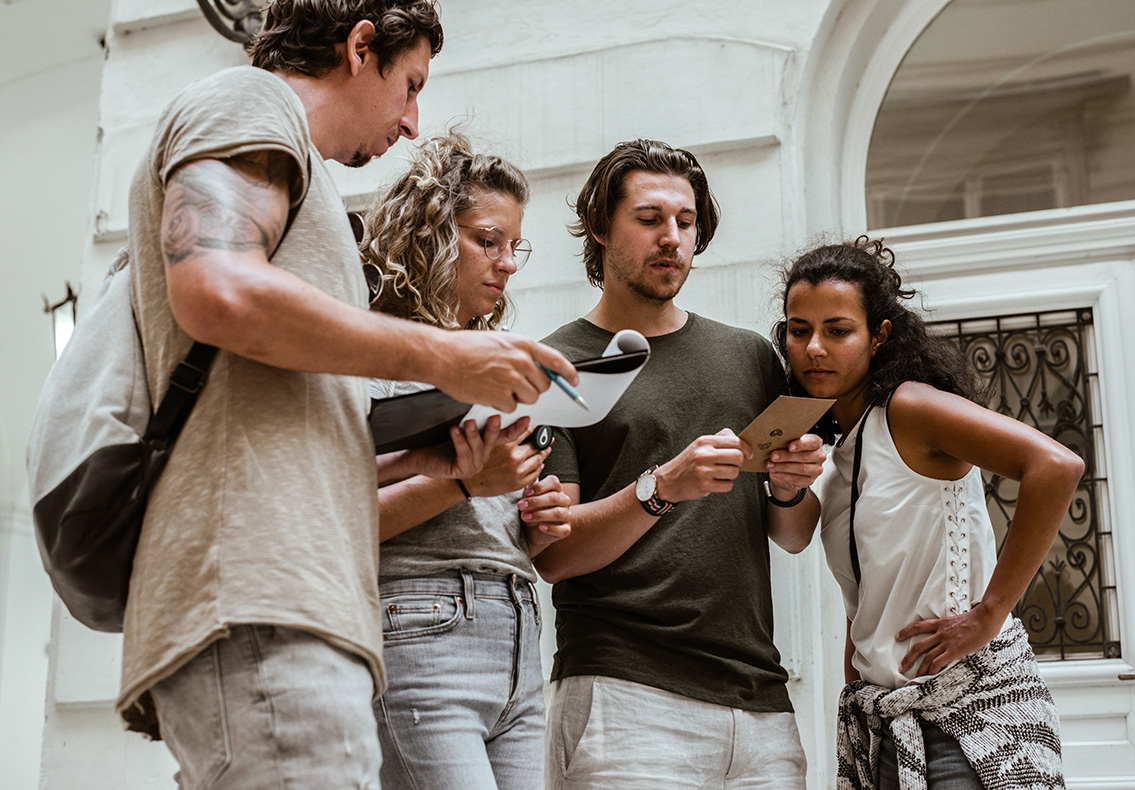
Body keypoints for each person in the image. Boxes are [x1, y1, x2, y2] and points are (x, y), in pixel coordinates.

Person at [118, 3, 576, 787]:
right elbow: (216, 291)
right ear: (361, 46)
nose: (411, 121)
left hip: (296, 601)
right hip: (263, 596)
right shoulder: (250, 102)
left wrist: (430, 455)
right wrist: (445, 356)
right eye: (408, 85)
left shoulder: (299, 173)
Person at [535, 139, 822, 789]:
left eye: (685, 222)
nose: (671, 238)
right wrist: (662, 486)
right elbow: (553, 554)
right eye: (649, 219)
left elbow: (795, 533)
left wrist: (786, 490)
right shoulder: (559, 365)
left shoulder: (750, 356)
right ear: (602, 227)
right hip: (624, 696)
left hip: (760, 706)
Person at [770, 237, 1083, 789]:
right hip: (887, 724)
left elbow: (1055, 466)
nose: (815, 347)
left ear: (879, 335)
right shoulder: (843, 452)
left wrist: (990, 613)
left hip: (972, 715)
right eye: (800, 330)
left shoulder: (909, 408)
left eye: (838, 330)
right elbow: (861, 592)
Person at [358, 131, 572, 790]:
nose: (507, 263)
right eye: (488, 240)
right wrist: (463, 485)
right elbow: (340, 516)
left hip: (519, 634)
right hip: (421, 629)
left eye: (515, 246)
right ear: (430, 234)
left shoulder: (499, 358)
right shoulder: (372, 349)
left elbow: (492, 506)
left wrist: (537, 514)